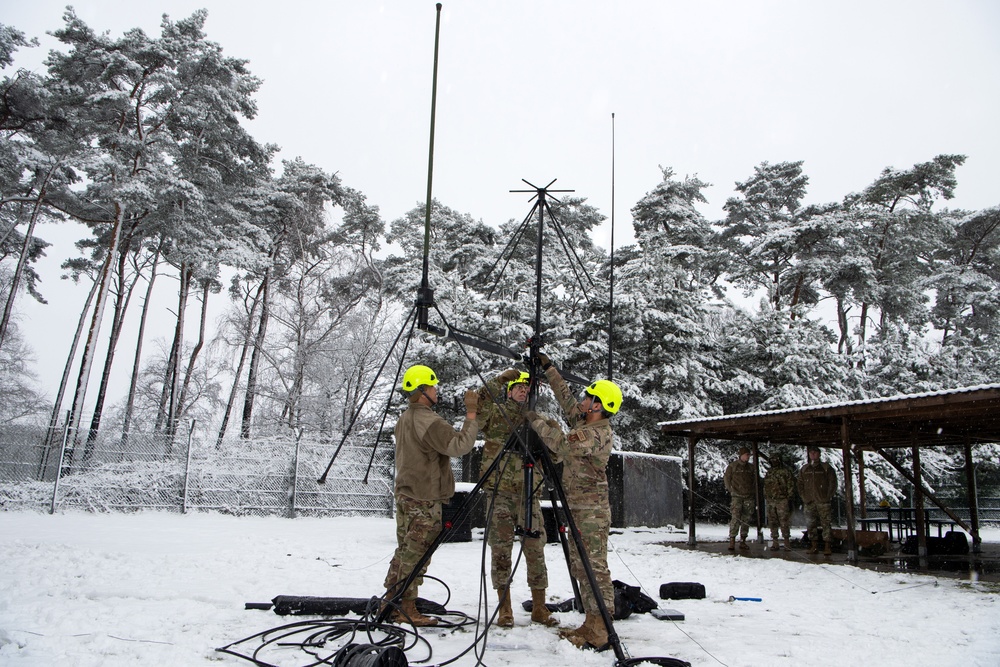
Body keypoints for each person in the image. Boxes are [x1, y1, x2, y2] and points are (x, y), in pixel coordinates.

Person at [525, 352, 621, 651]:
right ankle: (592, 621)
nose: (583, 399)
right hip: (578, 507)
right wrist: (549, 369)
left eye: (589, 397)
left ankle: (602, 626)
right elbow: (566, 398)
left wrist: (535, 421)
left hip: (591, 512)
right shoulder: (584, 422)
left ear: (599, 406)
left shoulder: (597, 435)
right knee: (582, 567)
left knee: (594, 567)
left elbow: (561, 445)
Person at [382, 364, 479, 626]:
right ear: (424, 391)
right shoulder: (429, 421)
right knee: (417, 555)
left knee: (405, 551)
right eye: (433, 386)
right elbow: (460, 446)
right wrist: (472, 415)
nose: (437, 391)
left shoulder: (405, 418)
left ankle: (390, 600)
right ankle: (407, 608)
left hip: (406, 496)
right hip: (424, 500)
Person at [476, 368, 557, 628]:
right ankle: (505, 608)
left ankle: (539, 607)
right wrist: (500, 379)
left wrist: (544, 430)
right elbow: (478, 403)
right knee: (500, 550)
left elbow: (557, 450)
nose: (522, 390)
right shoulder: (496, 415)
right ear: (509, 391)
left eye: (526, 387)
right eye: (517, 386)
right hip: (499, 494)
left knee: (535, 549)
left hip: (529, 494)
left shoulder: (538, 420)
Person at [797, 445, 838, 556]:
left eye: (815, 453)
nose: (813, 455)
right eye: (811, 453)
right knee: (810, 524)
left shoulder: (825, 468)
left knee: (826, 523)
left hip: (823, 501)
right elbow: (800, 484)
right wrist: (804, 497)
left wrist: (827, 496)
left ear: (819, 454)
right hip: (809, 501)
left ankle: (827, 546)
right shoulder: (805, 469)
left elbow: (832, 483)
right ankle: (813, 545)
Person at [724, 446, 757, 551]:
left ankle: (743, 540)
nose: (748, 457)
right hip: (737, 496)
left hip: (748, 496)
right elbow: (727, 479)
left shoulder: (751, 468)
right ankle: (732, 540)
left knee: (746, 519)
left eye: (749, 455)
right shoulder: (733, 466)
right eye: (746, 455)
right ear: (741, 455)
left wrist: (752, 491)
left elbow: (755, 481)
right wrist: (732, 490)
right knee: (735, 518)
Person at [763, 451, 796, 551]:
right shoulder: (769, 472)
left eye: (775, 459)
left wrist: (788, 497)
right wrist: (767, 496)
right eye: (772, 459)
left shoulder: (785, 471)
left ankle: (786, 541)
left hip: (782, 500)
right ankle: (775, 542)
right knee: (772, 521)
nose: (774, 461)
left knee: (784, 521)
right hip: (771, 500)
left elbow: (791, 485)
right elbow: (765, 486)